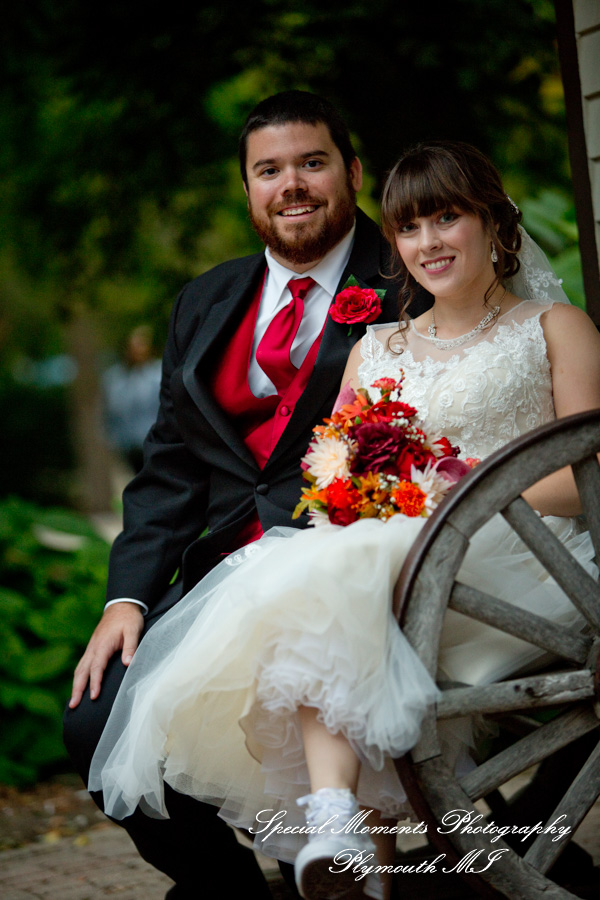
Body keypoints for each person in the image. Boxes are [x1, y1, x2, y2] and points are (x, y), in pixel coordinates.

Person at [87, 140, 600, 900]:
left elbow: (586, 473)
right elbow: (333, 477)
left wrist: (449, 490)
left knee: (338, 575)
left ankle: (345, 830)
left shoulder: (555, 327)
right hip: (392, 574)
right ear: (393, 242)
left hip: (519, 571)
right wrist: (366, 494)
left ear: (493, 221)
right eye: (409, 228)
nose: (429, 243)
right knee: (331, 569)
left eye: (447, 219)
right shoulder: (376, 349)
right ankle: (338, 829)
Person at [64, 91, 430, 900]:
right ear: (248, 189)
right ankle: (227, 889)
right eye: (269, 170)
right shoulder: (203, 302)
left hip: (347, 579)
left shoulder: (413, 277)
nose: (291, 184)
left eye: (312, 162)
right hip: (216, 578)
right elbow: (168, 471)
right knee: (94, 725)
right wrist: (126, 597)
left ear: (353, 173)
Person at [103, 326, 162, 473]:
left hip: (158, 445)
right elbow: (108, 414)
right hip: (129, 448)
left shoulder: (159, 373)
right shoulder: (114, 378)